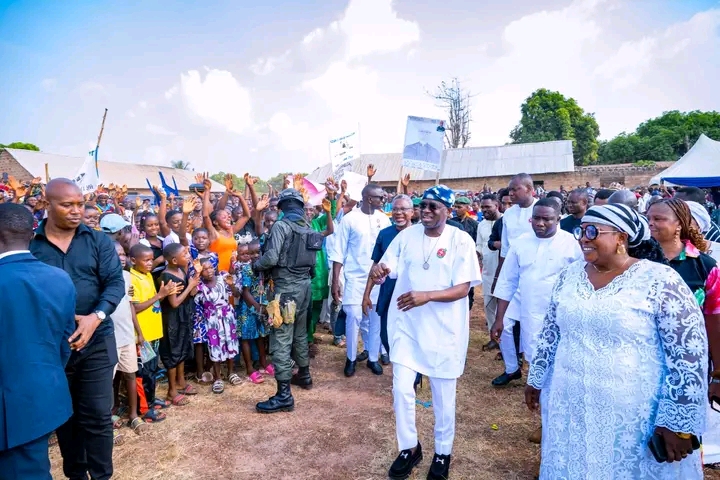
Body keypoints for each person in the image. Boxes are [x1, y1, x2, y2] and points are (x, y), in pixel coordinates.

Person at [526, 203, 708, 479]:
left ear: (621, 237)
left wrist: (678, 423)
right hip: (570, 405)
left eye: (592, 231)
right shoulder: (569, 276)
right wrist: (536, 377)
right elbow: (551, 332)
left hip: (633, 417)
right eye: (580, 231)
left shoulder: (660, 280)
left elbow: (687, 355)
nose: (583, 238)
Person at [370, 185, 482, 480]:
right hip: (407, 326)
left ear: (448, 210)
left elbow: (463, 288)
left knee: (443, 397)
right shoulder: (406, 236)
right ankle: (409, 447)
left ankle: (443, 453)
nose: (427, 211)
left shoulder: (460, 240)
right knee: (401, 389)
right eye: (424, 205)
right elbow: (387, 266)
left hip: (444, 330)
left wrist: (427, 296)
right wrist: (379, 272)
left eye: (434, 206)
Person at [30, 179, 126, 480]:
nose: (76, 211)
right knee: (65, 417)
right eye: (67, 205)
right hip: (53, 347)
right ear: (46, 205)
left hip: (97, 341)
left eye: (80, 204)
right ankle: (76, 475)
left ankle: (101, 476)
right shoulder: (31, 246)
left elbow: (115, 284)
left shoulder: (98, 241)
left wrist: (94, 317)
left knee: (97, 415)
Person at [0, 203, 76, 480]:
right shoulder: (60, 278)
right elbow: (64, 343)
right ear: (31, 235)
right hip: (42, 394)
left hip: (11, 408)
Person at [253, 188, 319, 413]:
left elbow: (271, 258)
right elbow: (313, 264)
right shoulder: (308, 227)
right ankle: (304, 375)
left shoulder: (281, 226)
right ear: (300, 206)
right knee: (299, 333)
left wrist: (256, 265)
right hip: (305, 287)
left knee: (281, 338)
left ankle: (283, 396)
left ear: (281, 207)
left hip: (285, 290)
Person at [330, 183, 391, 377]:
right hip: (355, 279)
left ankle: (373, 358)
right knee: (353, 317)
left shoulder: (384, 219)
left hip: (378, 280)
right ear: (368, 198)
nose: (383, 200)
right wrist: (335, 282)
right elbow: (338, 251)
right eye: (380, 197)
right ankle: (351, 358)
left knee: (375, 319)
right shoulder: (350, 219)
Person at [492, 174, 537, 386]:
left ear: (529, 189)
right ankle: (512, 368)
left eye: (515, 189)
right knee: (504, 323)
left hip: (536, 276)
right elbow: (505, 249)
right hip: (512, 275)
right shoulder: (508, 215)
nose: (511, 193)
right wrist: (498, 276)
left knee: (533, 327)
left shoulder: (543, 210)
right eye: (509, 189)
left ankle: (536, 375)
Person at [129, 243, 178, 420]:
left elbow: (153, 302)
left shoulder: (147, 274)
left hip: (154, 332)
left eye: (151, 260)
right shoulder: (132, 279)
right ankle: (144, 409)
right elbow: (134, 308)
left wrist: (165, 293)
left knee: (151, 370)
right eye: (146, 260)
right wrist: (160, 295)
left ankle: (150, 399)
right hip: (142, 335)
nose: (150, 263)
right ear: (133, 260)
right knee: (143, 373)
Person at [362, 194, 414, 355]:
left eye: (403, 209)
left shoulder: (421, 234)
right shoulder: (384, 234)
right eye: (395, 209)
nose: (398, 213)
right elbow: (375, 266)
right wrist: (366, 295)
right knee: (386, 335)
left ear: (412, 212)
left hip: (411, 296)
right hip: (388, 294)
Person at [110, 242, 147, 436]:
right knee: (108, 380)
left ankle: (133, 415)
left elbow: (130, 305)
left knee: (130, 374)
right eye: (117, 254)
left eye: (123, 254)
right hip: (110, 338)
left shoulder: (127, 277)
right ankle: (109, 415)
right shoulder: (102, 278)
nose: (122, 257)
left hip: (126, 335)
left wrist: (138, 331)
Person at [159, 242, 201, 405]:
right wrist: (190, 285)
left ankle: (181, 382)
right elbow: (174, 303)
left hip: (184, 316)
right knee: (173, 352)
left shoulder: (181, 270)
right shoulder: (167, 276)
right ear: (174, 260)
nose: (188, 256)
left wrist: (195, 279)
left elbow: (192, 293)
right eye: (184, 254)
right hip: (172, 320)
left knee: (182, 349)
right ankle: (171, 390)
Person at [194, 259, 241, 394]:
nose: (209, 271)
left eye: (211, 267)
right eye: (205, 269)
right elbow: (192, 294)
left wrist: (231, 285)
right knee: (215, 346)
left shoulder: (223, 277)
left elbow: (237, 294)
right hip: (212, 319)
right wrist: (196, 274)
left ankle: (231, 373)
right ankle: (218, 377)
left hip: (227, 316)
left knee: (230, 343)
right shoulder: (200, 285)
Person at [233, 241, 272, 384]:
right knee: (246, 338)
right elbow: (245, 292)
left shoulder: (263, 268)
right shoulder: (247, 269)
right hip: (248, 308)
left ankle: (263, 362)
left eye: (258, 252)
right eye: (251, 253)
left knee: (261, 336)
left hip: (261, 307)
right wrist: (256, 306)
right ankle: (249, 368)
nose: (255, 256)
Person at [476, 193, 502, 350]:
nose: (484, 210)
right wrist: (477, 255)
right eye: (482, 207)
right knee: (489, 306)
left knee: (503, 307)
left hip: (503, 271)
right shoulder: (481, 225)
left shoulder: (505, 221)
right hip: (487, 271)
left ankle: (505, 339)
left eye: (488, 207)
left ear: (496, 206)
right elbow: (479, 245)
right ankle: (493, 338)